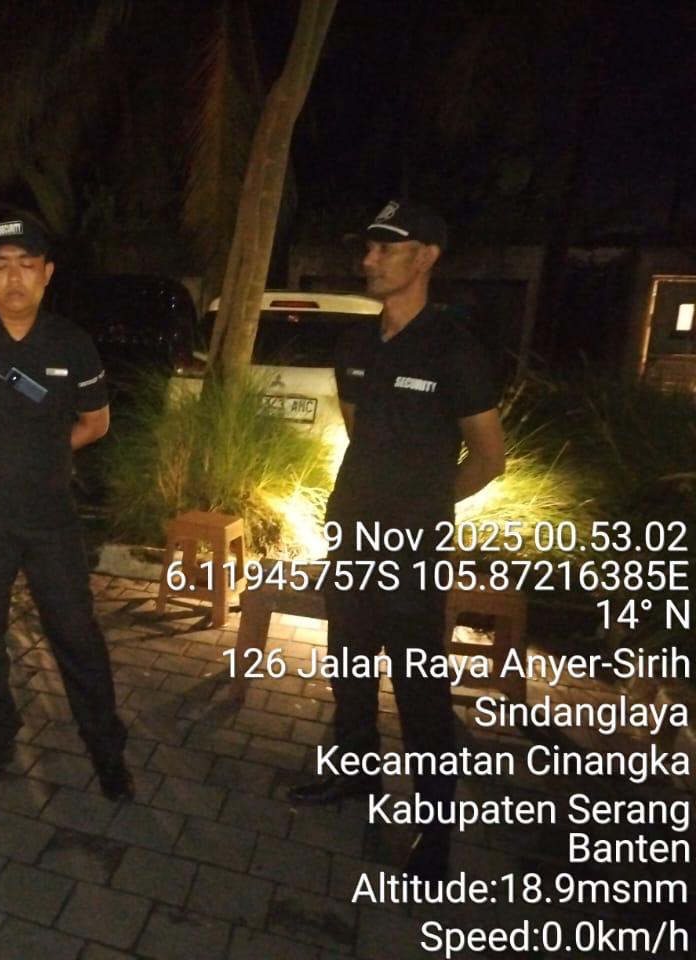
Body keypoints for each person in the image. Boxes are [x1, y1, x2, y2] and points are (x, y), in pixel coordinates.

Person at [287, 200, 506, 882]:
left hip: (411, 551)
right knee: (349, 666)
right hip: (351, 532)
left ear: (427, 256)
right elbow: (362, 433)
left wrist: (423, 509)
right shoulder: (355, 346)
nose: (369, 259)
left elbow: (489, 457)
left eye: (387, 248)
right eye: (369, 248)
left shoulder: (454, 349)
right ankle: (357, 774)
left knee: (419, 686)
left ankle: (435, 832)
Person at [0, 216, 133, 801]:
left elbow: (96, 423)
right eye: (1, 266)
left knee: (77, 635)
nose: (15, 279)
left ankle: (106, 748)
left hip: (51, 519)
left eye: (27, 265)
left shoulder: (71, 343)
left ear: (47, 274)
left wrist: (45, 455)